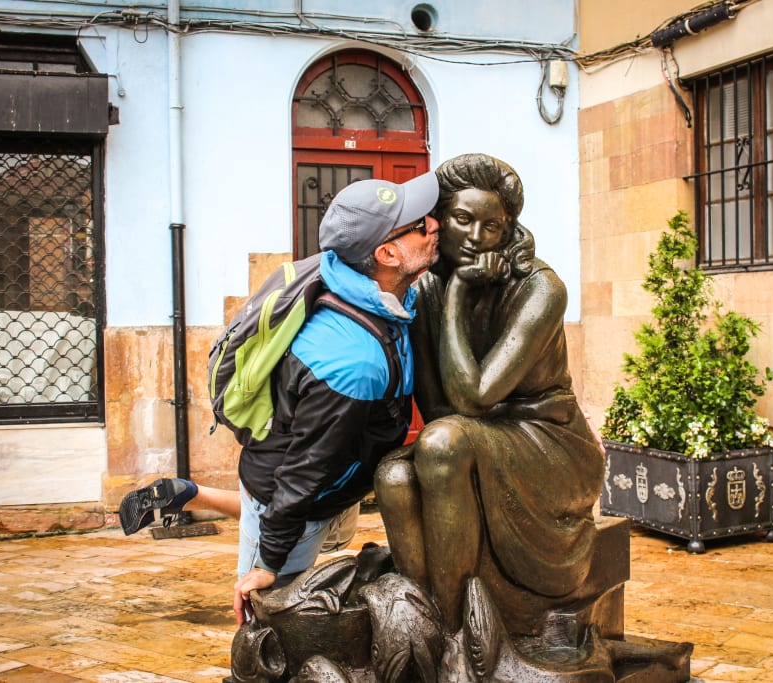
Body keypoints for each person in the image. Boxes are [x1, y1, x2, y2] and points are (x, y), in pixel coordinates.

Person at [119, 171, 441, 625]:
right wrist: (267, 565)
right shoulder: (352, 361)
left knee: (330, 540)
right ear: (387, 254)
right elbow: (303, 474)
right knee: (270, 625)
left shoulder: (368, 285)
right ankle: (229, 537)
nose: (435, 226)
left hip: (337, 483)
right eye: (421, 224)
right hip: (294, 493)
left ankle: (189, 494)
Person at [374, 153, 605, 632]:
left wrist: (457, 293)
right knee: (395, 475)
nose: (476, 238)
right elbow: (440, 407)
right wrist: (447, 292)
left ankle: (462, 632)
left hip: (549, 441)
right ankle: (428, 621)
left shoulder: (541, 288)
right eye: (462, 219)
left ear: (509, 232)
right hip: (475, 434)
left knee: (440, 444)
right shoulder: (423, 294)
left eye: (493, 227)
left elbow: (474, 399)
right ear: (438, 221)